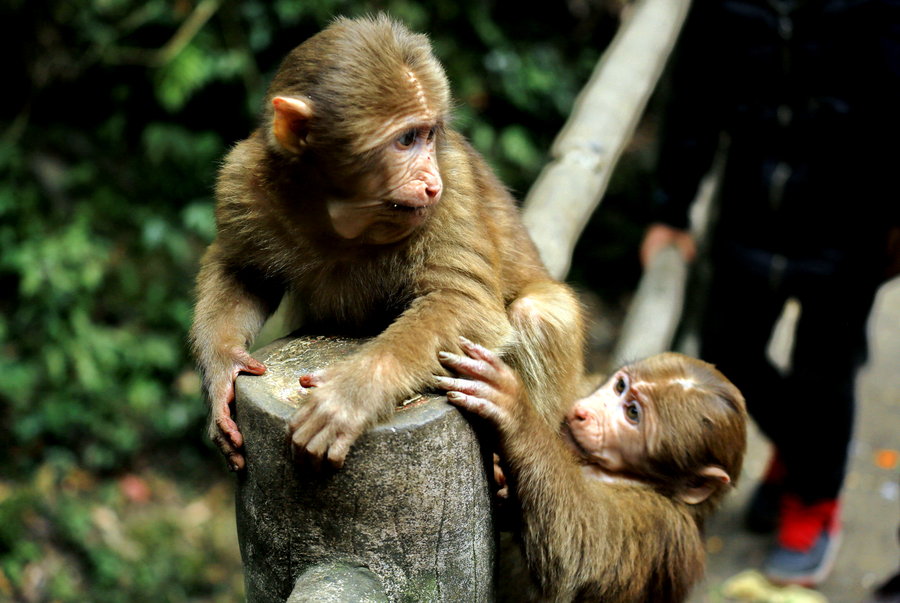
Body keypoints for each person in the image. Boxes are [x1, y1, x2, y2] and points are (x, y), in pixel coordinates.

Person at [640, 0, 900, 587]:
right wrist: (671, 210)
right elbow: (696, 91)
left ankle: (814, 500)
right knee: (726, 354)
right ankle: (805, 453)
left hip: (851, 209)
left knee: (824, 369)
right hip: (750, 199)